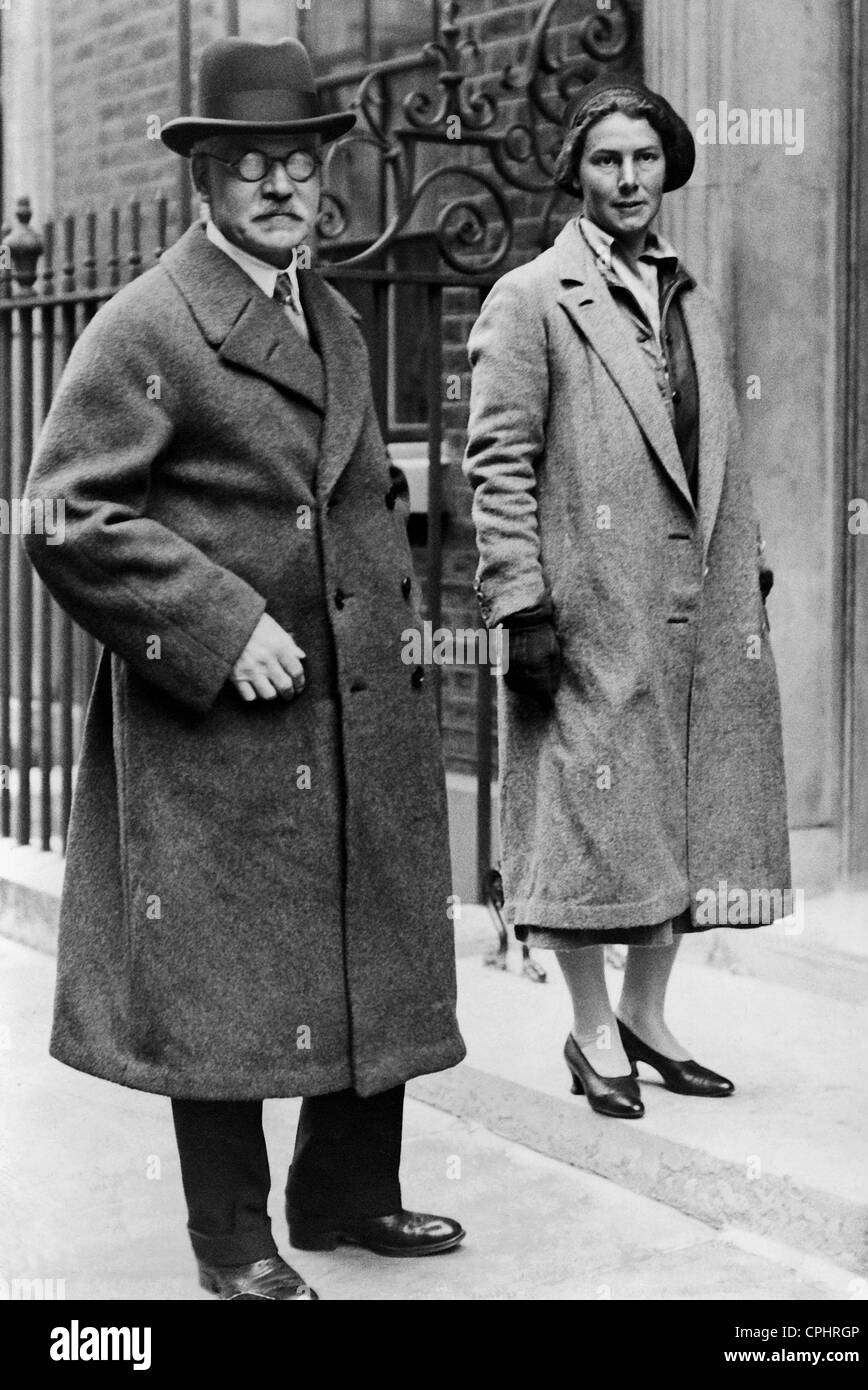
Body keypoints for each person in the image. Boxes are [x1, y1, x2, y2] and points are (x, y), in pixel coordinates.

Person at [24, 37, 466, 1301]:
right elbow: (64, 514)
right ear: (203, 180)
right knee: (222, 985)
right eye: (251, 165)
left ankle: (345, 1191)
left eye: (299, 162)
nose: (281, 185)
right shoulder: (150, 320)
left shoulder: (326, 307)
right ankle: (232, 1244)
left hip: (352, 711)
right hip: (221, 718)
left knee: (359, 945)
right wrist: (219, 627)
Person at [463, 79, 790, 1120]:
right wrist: (520, 603)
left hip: (696, 600)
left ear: (669, 168)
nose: (630, 178)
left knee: (684, 812)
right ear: (578, 172)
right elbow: (498, 462)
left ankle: (650, 1020)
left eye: (645, 159)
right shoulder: (531, 298)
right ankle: (590, 1029)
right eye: (608, 159)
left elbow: (718, 448)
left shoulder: (689, 294)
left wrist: (753, 564)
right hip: (592, 600)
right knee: (589, 821)